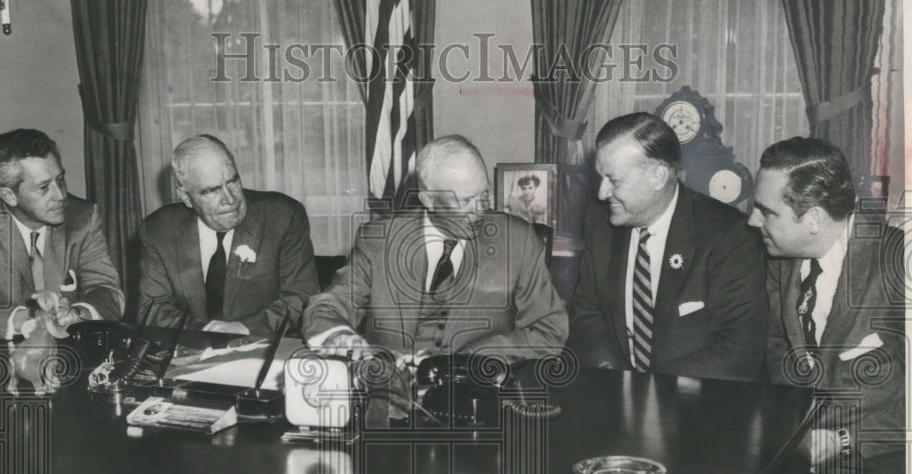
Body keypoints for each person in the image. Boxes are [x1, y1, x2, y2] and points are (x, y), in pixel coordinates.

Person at [748, 137, 905, 474]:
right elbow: (779, 351)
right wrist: (797, 432)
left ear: (813, 218)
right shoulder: (782, 260)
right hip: (804, 449)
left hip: (892, 451)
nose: (751, 220)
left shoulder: (901, 262)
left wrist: (843, 440)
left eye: (767, 211)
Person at [304, 134, 567, 369]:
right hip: (388, 398)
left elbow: (549, 330)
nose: (479, 211)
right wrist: (338, 335)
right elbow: (327, 307)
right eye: (464, 201)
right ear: (427, 199)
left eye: (483, 194)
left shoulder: (517, 241)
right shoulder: (378, 241)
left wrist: (470, 358)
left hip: (476, 393)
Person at [568, 112, 766, 381]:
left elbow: (738, 351)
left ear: (658, 176)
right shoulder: (599, 220)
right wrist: (613, 379)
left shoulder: (729, 235)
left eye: (614, 181)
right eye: (600, 178)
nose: (602, 194)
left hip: (696, 404)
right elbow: (588, 314)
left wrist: (649, 390)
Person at [138, 135, 319, 338]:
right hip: (190, 352)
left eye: (233, 181)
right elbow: (153, 309)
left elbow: (301, 297)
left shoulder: (283, 217)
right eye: (212, 191)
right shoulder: (158, 230)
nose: (230, 199)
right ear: (186, 197)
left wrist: (245, 328)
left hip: (263, 347)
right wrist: (205, 334)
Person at [0, 129, 124, 339]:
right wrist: (22, 319)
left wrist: (78, 314)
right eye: (44, 187)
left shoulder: (83, 217)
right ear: (9, 196)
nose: (60, 196)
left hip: (69, 355)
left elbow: (108, 291)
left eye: (60, 180)